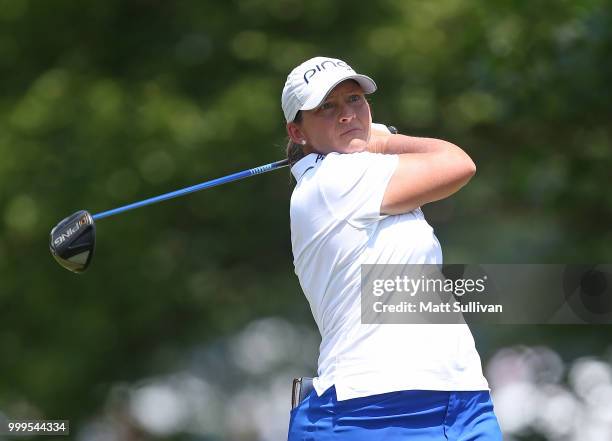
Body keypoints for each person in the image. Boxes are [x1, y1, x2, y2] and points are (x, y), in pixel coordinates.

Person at [282, 56, 503, 440]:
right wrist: (383, 141)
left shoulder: (359, 171)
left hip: (461, 397)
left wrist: (372, 146)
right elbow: (457, 163)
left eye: (354, 100)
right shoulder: (332, 182)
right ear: (297, 132)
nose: (347, 114)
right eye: (326, 107)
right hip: (368, 409)